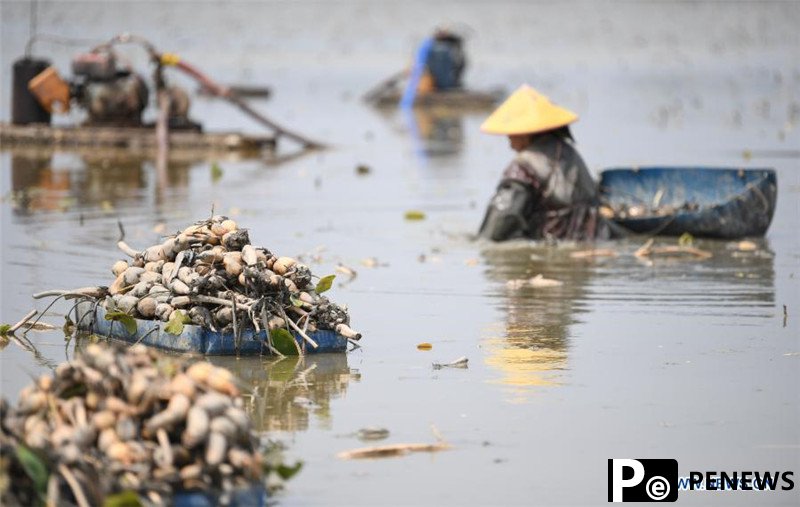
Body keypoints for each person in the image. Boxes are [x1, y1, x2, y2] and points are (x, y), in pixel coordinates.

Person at [478, 84, 618, 242]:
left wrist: (481, 244)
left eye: (511, 133)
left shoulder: (524, 165)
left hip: (557, 243)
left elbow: (501, 221)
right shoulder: (567, 151)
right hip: (596, 237)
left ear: (525, 133)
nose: (508, 139)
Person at [417, 28, 466, 93]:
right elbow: (460, 64)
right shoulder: (444, 49)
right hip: (444, 84)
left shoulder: (434, 48)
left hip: (438, 84)